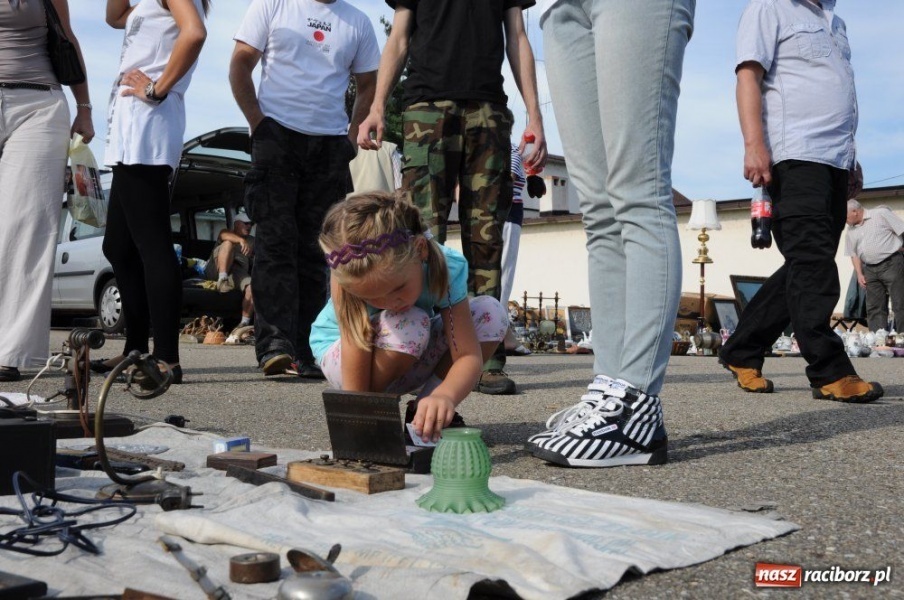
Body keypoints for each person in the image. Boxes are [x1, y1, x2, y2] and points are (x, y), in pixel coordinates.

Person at [524, 1, 694, 468]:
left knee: (638, 191)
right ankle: (608, 391)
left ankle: (635, 400)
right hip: (557, 6)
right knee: (598, 209)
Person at [357, 0, 548, 396]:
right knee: (421, 237)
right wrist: (376, 106)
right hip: (427, 108)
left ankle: (488, 358)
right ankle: (421, 352)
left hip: (487, 110)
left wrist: (535, 114)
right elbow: (399, 38)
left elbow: (517, 37)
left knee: (487, 236)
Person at [718, 0, 882, 403]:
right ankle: (829, 370)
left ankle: (741, 350)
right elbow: (748, 78)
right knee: (812, 264)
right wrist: (754, 145)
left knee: (803, 265)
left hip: (834, 161)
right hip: (793, 156)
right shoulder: (768, 8)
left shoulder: (834, 22)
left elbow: (838, 93)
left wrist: (850, 159)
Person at [230, 0, 380, 379]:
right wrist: (258, 123)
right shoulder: (273, 5)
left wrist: (350, 136)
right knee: (274, 243)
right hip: (276, 135)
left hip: (329, 146)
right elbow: (240, 64)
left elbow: (368, 85)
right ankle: (275, 346)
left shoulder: (357, 21)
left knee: (318, 252)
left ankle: (306, 349)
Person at [310, 192, 509, 442]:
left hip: (406, 345)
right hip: (346, 358)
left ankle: (424, 414)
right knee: (411, 321)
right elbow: (355, 343)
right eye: (372, 298)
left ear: (420, 250)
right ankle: (376, 408)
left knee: (490, 312)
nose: (389, 303)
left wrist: (444, 396)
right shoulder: (348, 268)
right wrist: (360, 416)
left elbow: (467, 355)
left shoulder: (448, 267)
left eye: (397, 289)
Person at [93, 0, 210, 384]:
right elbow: (114, 17)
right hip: (130, 135)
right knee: (119, 247)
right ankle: (135, 350)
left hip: (148, 129)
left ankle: (166, 359)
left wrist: (157, 88)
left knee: (152, 245)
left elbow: (194, 32)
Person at [0, 0, 94, 382]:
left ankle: (13, 353)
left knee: (27, 226)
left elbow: (66, 36)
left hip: (37, 104)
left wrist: (83, 106)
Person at [844, 200, 904, 332]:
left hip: (892, 263)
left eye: (845, 215)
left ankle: (902, 338)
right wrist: (859, 273)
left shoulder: (881, 214)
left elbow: (902, 230)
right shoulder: (850, 231)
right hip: (869, 269)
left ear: (855, 211)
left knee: (900, 303)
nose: (844, 219)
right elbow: (854, 254)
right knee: (874, 307)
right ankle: (878, 340)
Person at [204, 212, 255, 327]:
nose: (249, 226)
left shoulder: (252, 241)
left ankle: (243, 324)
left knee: (252, 288)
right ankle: (222, 280)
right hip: (216, 271)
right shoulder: (226, 232)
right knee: (228, 244)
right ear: (237, 224)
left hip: (237, 272)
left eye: (251, 224)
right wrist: (241, 241)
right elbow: (223, 235)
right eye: (246, 223)